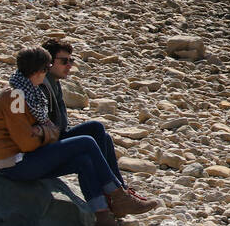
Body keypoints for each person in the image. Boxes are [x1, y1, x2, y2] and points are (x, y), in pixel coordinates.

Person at [0, 47, 156, 226]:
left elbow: (53, 129)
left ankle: (102, 218)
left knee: (84, 158)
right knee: (85, 142)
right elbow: (27, 143)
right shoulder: (15, 96)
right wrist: (46, 132)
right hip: (15, 164)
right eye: (46, 68)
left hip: (31, 156)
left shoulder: (33, 92)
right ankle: (118, 195)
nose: (47, 72)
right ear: (38, 71)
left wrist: (42, 132)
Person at [38, 38, 155, 213]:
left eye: (71, 60)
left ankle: (119, 194)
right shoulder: (41, 86)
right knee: (94, 130)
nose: (69, 65)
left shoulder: (54, 83)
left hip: (55, 138)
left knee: (103, 136)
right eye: (64, 61)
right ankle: (117, 195)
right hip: (46, 147)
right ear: (48, 62)